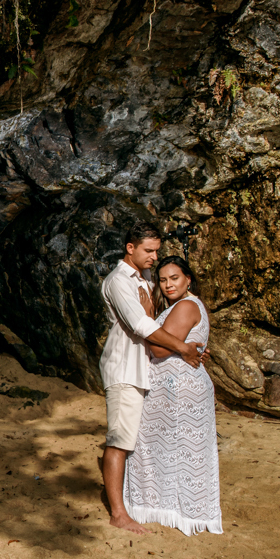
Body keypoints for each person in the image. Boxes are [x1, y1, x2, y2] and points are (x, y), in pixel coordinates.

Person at [99, 222, 202, 535]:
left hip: (146, 370)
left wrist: (191, 346)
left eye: (157, 251)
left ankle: (140, 502)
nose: (154, 257)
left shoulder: (144, 278)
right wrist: (183, 348)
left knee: (136, 441)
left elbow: (163, 324)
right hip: (125, 369)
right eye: (149, 251)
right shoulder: (119, 280)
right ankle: (118, 514)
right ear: (130, 248)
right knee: (120, 441)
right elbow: (141, 325)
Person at [123, 256, 222, 535]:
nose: (168, 285)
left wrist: (146, 318)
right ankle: (171, 509)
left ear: (188, 279)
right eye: (163, 280)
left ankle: (181, 511)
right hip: (173, 388)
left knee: (179, 452)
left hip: (179, 390)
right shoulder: (182, 306)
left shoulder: (186, 305)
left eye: (175, 278)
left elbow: (159, 349)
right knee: (171, 451)